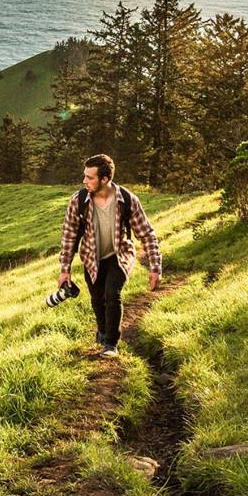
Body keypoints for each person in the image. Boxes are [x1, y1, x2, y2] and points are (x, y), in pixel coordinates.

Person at [56, 153, 161, 357]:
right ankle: (104, 332)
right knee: (97, 299)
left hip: (119, 255)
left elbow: (147, 234)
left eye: (90, 177)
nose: (84, 181)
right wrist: (64, 270)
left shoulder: (127, 200)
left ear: (105, 179)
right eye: (84, 176)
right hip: (91, 257)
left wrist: (155, 268)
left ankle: (111, 344)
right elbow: (69, 237)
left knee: (112, 294)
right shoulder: (78, 201)